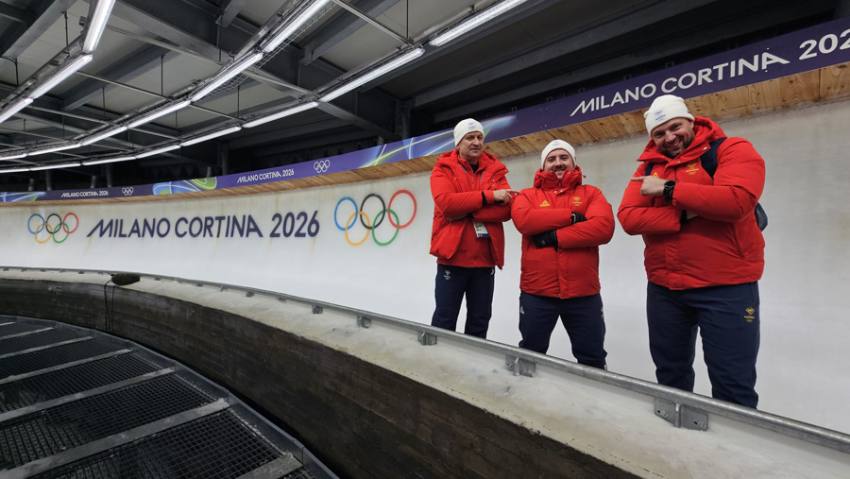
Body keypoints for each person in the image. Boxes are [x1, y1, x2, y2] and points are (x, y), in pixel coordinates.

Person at [618, 94, 765, 408]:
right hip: (665, 288)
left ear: (690, 121)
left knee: (732, 382)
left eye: (675, 127)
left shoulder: (731, 149)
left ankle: (733, 450)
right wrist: (685, 213)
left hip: (726, 288)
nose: (669, 137)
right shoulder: (649, 167)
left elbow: (736, 201)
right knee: (670, 374)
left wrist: (668, 190)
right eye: (659, 133)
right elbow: (629, 218)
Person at [511, 140, 614, 368]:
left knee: (592, 357)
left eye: (563, 157)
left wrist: (554, 237)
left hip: (583, 294)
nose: (558, 163)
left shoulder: (591, 193)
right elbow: (525, 221)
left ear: (573, 162)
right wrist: (573, 216)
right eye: (552, 159)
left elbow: (603, 228)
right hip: (537, 293)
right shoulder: (527, 195)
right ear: (543, 166)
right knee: (531, 353)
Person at [429, 118, 514, 338]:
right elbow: (447, 204)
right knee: (445, 319)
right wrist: (489, 197)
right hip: (452, 259)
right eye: (470, 138)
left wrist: (468, 209)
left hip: (484, 261)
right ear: (458, 143)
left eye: (479, 137)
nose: (476, 142)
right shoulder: (443, 170)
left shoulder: (496, 170)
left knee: (479, 320)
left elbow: (506, 210)